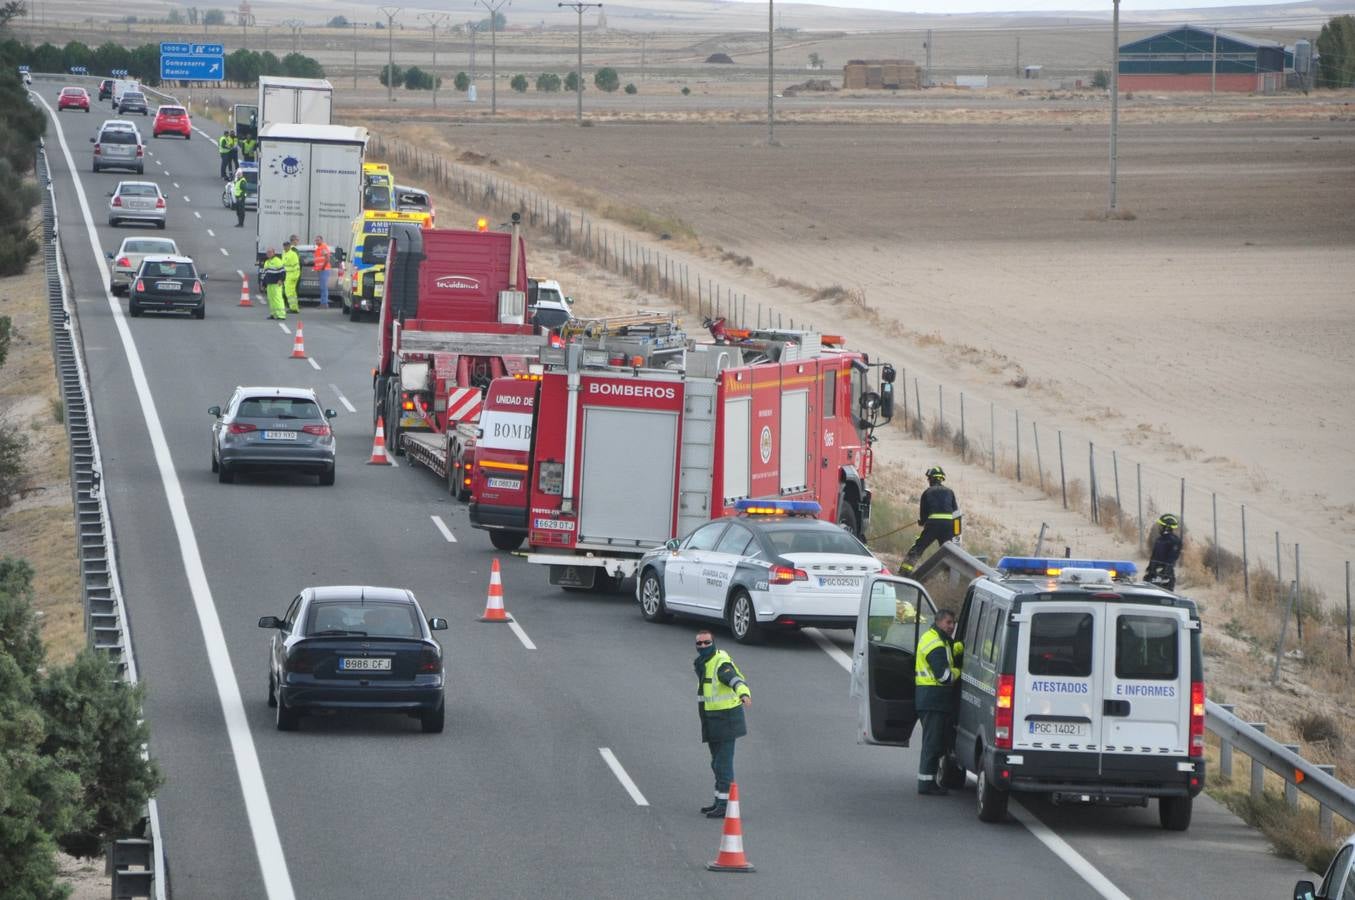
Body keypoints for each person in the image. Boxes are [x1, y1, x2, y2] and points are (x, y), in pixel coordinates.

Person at [694, 629, 751, 819]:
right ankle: (719, 801)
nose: (703, 646)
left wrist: (744, 693)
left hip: (726, 720)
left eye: (706, 643)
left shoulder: (720, 663)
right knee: (716, 763)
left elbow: (733, 678)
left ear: (713, 643)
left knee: (722, 764)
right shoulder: (704, 662)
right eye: (699, 643)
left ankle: (725, 805)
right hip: (712, 720)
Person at [915, 609, 963, 796]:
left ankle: (929, 780)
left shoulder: (939, 639)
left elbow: (952, 648)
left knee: (935, 742)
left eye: (953, 623)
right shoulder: (935, 644)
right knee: (932, 743)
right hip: (932, 699)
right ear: (939, 622)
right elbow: (944, 676)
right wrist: (960, 672)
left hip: (933, 700)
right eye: (948, 623)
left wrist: (963, 646)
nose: (951, 627)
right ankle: (926, 784)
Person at [901, 466, 959, 574]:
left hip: (933, 525)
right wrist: (955, 532)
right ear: (941, 479)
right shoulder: (950, 492)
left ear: (932, 479)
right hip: (948, 526)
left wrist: (922, 522)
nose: (928, 481)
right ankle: (949, 577)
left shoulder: (927, 492)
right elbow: (956, 512)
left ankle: (904, 572)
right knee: (948, 552)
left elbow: (923, 513)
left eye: (929, 478)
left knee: (918, 547)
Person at [1145, 513, 1183, 590]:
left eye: (1161, 526)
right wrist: (1149, 572)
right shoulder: (1159, 539)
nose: (1160, 528)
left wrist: (1163, 575)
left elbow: (1171, 560)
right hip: (1153, 575)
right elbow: (1154, 557)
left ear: (1167, 527)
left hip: (1165, 578)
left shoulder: (1175, 541)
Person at [261, 249, 287, 320]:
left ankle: (281, 315)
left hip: (276, 284)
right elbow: (265, 275)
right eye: (267, 252)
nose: (268, 253)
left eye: (270, 252)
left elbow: (283, 272)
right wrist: (263, 284)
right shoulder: (266, 262)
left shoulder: (277, 261)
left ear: (274, 253)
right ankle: (273, 314)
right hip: (269, 284)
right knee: (271, 299)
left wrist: (281, 280)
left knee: (277, 299)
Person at [281, 238, 301, 314]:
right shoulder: (284, 253)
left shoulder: (293, 254)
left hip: (292, 275)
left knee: (289, 292)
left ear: (289, 246)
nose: (285, 247)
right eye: (284, 246)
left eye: (287, 246)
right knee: (292, 293)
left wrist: (295, 276)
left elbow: (296, 266)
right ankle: (294, 307)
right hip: (287, 275)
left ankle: (293, 308)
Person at [312, 234, 331, 309]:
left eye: (318, 240)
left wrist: (322, 267)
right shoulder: (319, 248)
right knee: (322, 287)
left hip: (324, 270)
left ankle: (324, 304)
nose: (316, 241)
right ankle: (323, 303)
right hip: (321, 270)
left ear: (321, 240)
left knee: (323, 287)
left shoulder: (323, 247)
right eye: (316, 240)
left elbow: (327, 258)